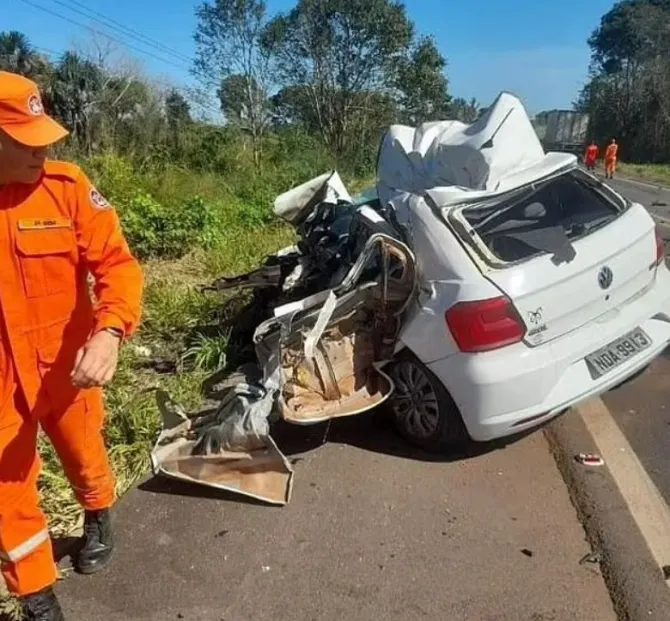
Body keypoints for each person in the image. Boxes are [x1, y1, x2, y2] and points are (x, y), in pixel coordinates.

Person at [0, 71, 143, 620]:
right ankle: (37, 598)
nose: (44, 150)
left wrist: (109, 332)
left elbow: (118, 266)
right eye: (27, 140)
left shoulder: (66, 187)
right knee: (8, 490)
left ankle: (99, 512)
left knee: (85, 453)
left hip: (67, 365)